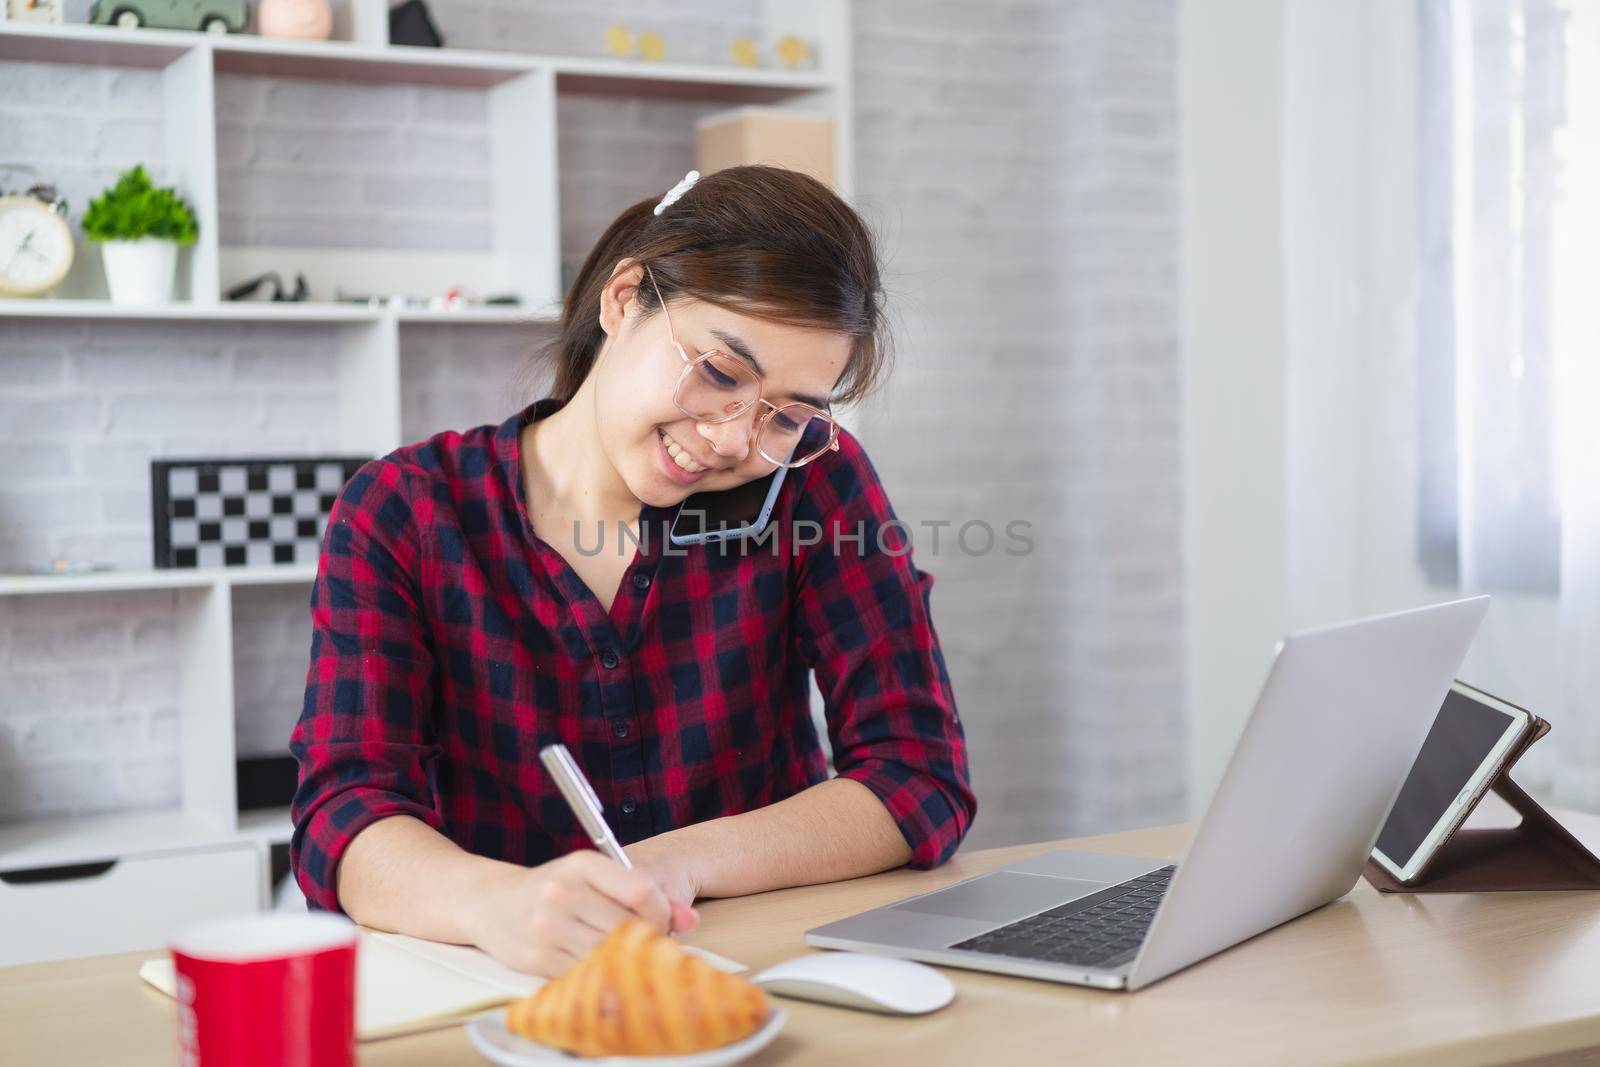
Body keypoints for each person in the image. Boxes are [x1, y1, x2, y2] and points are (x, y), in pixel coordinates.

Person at [289, 165, 975, 977]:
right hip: (508, 983)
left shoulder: (813, 483)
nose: (731, 439)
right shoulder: (405, 510)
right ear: (623, 300)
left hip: (755, 976)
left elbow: (917, 777)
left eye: (787, 414)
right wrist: (497, 903)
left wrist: (674, 862)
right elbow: (346, 814)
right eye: (721, 374)